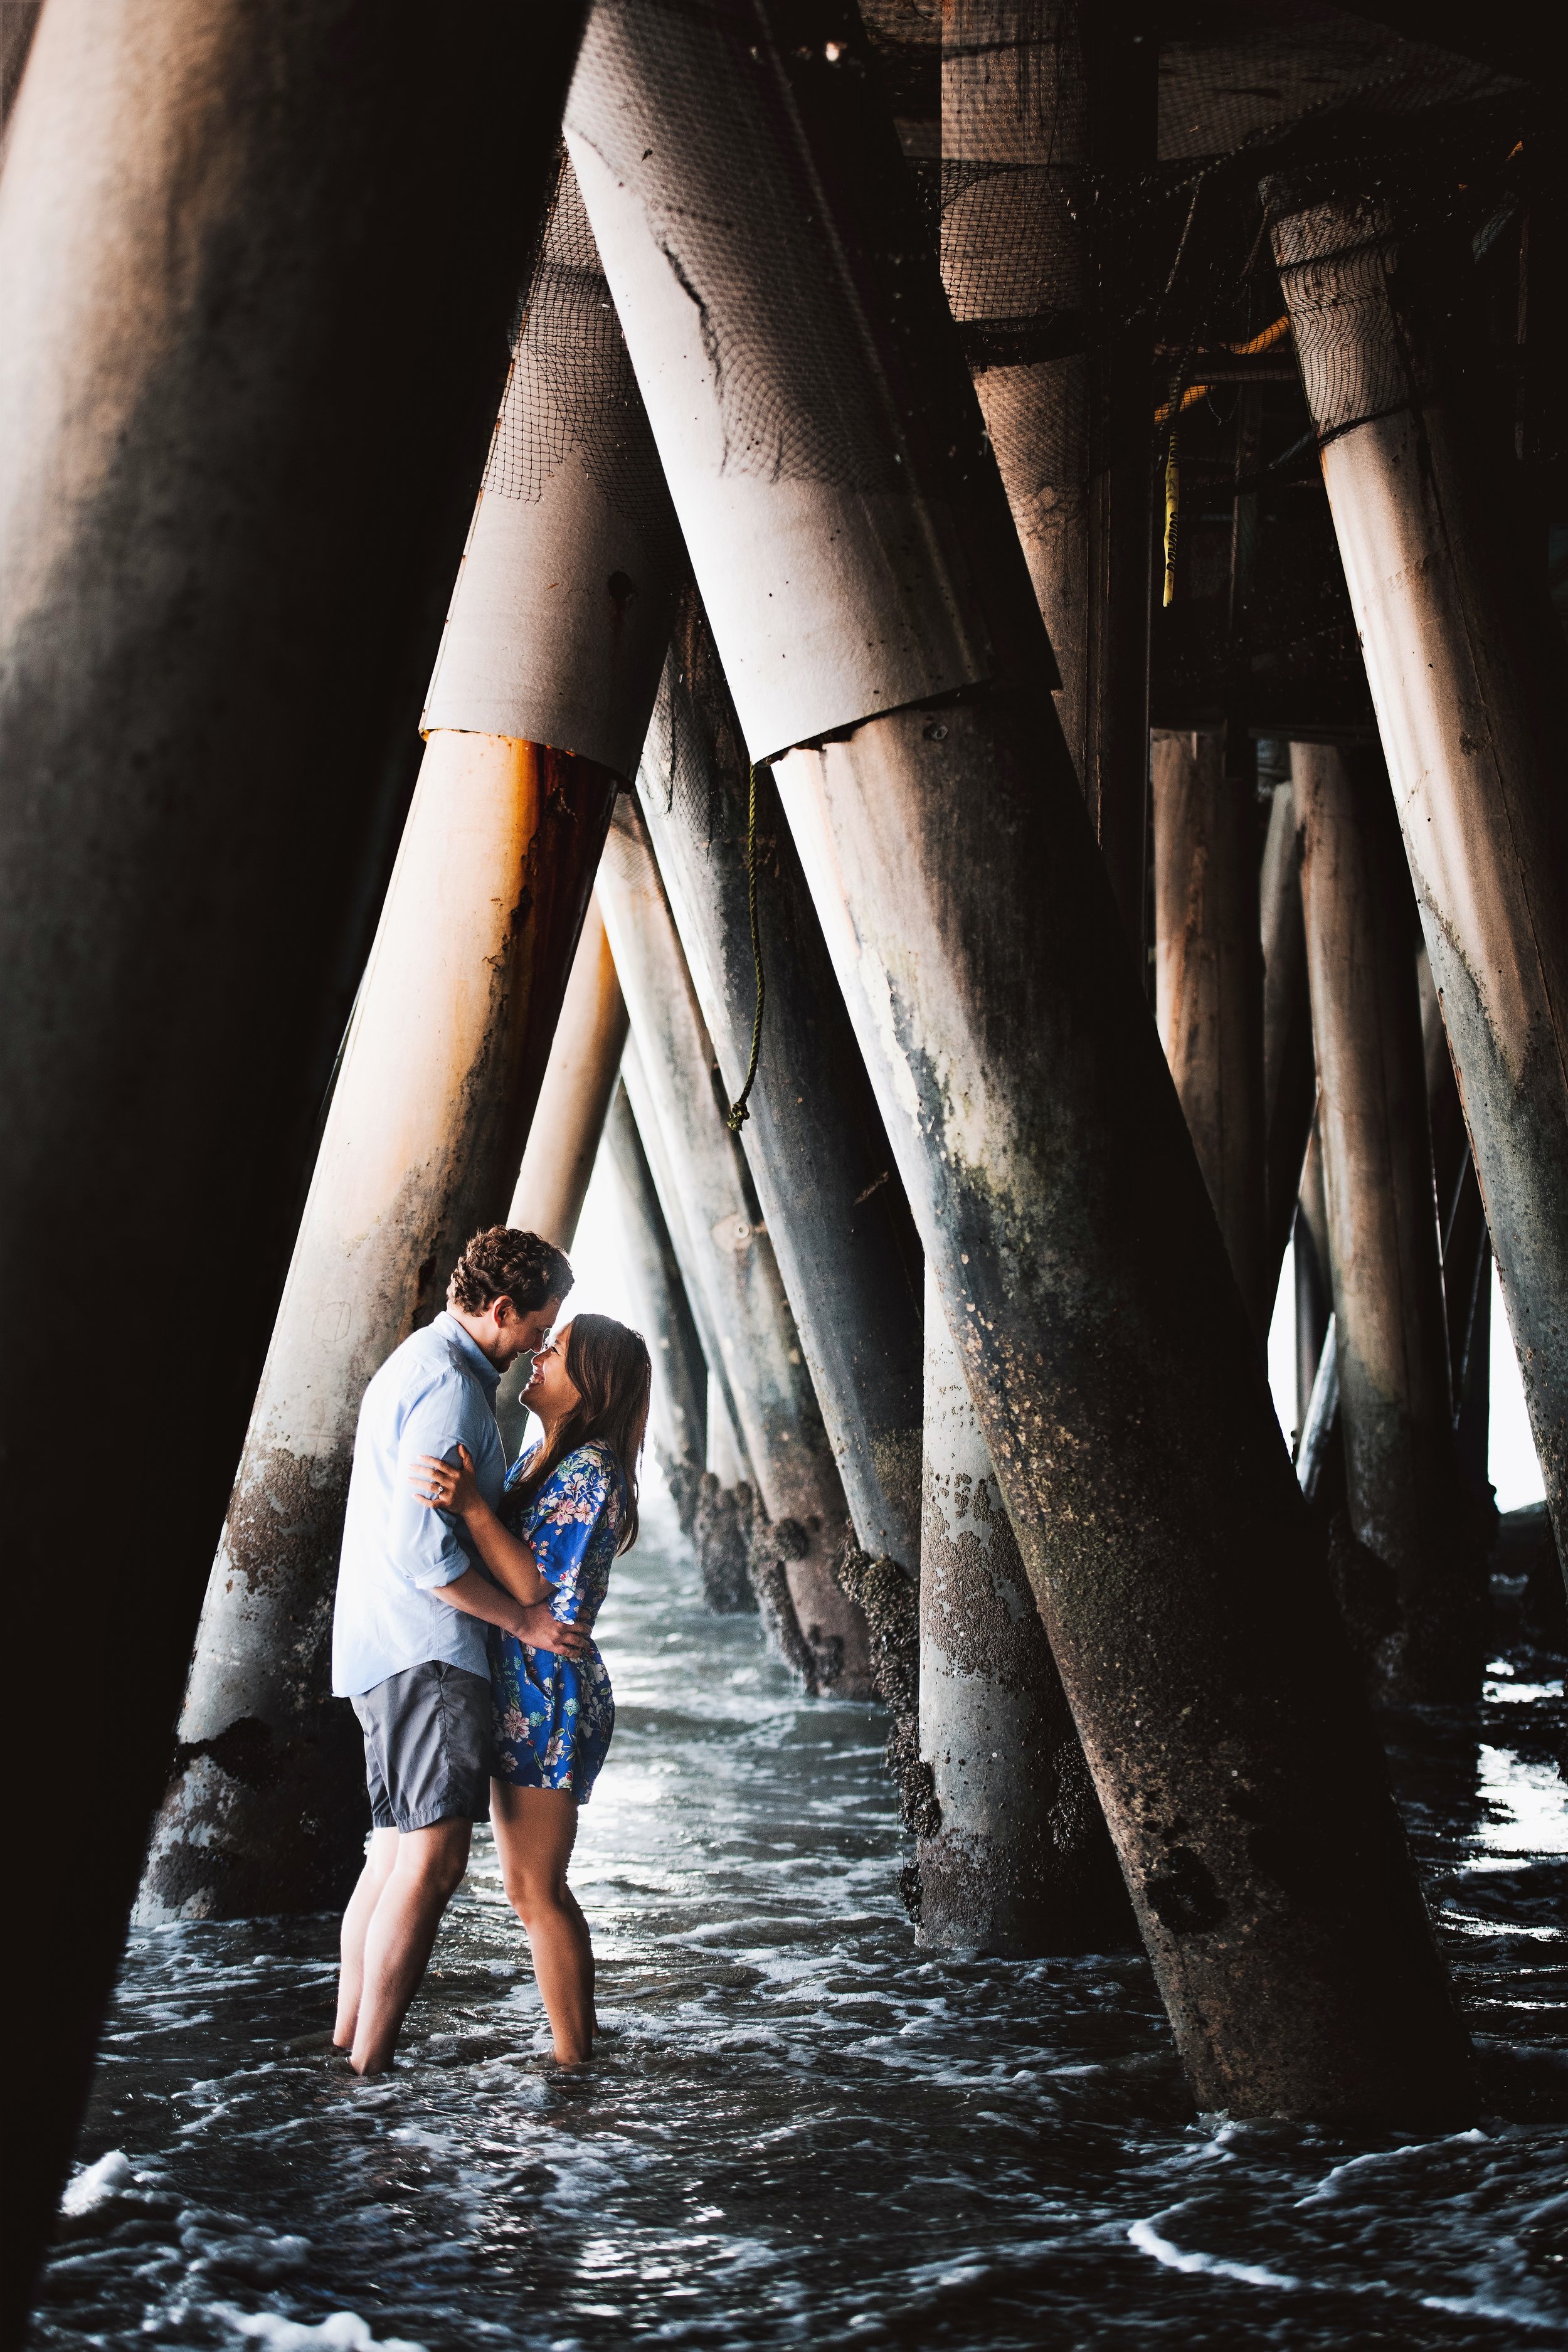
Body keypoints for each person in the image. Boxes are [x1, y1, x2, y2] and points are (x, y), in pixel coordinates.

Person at [331, 1226, 585, 2075]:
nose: (542, 1345)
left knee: (395, 1851)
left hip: (383, 1643)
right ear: (502, 1309)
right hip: (427, 1650)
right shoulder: (449, 1387)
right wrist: (521, 1622)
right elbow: (425, 1552)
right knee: (433, 1862)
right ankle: (369, 2071)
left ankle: (348, 2049)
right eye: (539, 1326)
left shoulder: (421, 1363)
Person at [413, 1311, 650, 2065]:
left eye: (559, 1350)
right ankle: (579, 2049)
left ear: (592, 1385)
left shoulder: (593, 1470)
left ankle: (575, 2063)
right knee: (530, 1887)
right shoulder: (545, 1458)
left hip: (548, 1694)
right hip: (523, 1683)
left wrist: (472, 1508)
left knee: (534, 1888)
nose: (539, 1356)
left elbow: (536, 1589)